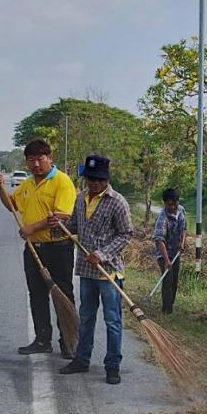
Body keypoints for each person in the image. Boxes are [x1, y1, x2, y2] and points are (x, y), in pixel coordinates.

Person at [0, 138, 77, 357]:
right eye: (31, 160)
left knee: (63, 294)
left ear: (50, 158)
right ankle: (42, 340)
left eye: (40, 159)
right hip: (33, 249)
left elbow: (61, 216)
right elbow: (12, 206)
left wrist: (32, 227)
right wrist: (0, 188)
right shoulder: (27, 184)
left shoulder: (62, 181)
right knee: (36, 294)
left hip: (58, 248)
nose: (36, 164)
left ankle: (69, 342)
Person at [59, 154, 133, 385]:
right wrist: (58, 225)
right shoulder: (80, 199)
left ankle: (112, 366)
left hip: (108, 272)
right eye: (90, 179)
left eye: (98, 180)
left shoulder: (117, 202)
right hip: (86, 271)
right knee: (87, 317)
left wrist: (102, 254)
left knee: (112, 320)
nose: (94, 183)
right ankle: (82, 359)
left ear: (106, 179)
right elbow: (73, 225)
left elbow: (126, 234)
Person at [153, 188, 186, 314]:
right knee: (167, 279)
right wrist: (166, 260)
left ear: (178, 202)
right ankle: (166, 310)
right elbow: (159, 240)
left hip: (176, 252)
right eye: (169, 204)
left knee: (174, 279)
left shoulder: (181, 210)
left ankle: (170, 304)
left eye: (174, 204)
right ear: (165, 203)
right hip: (163, 253)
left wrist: (182, 243)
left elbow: (184, 228)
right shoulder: (162, 219)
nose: (172, 207)